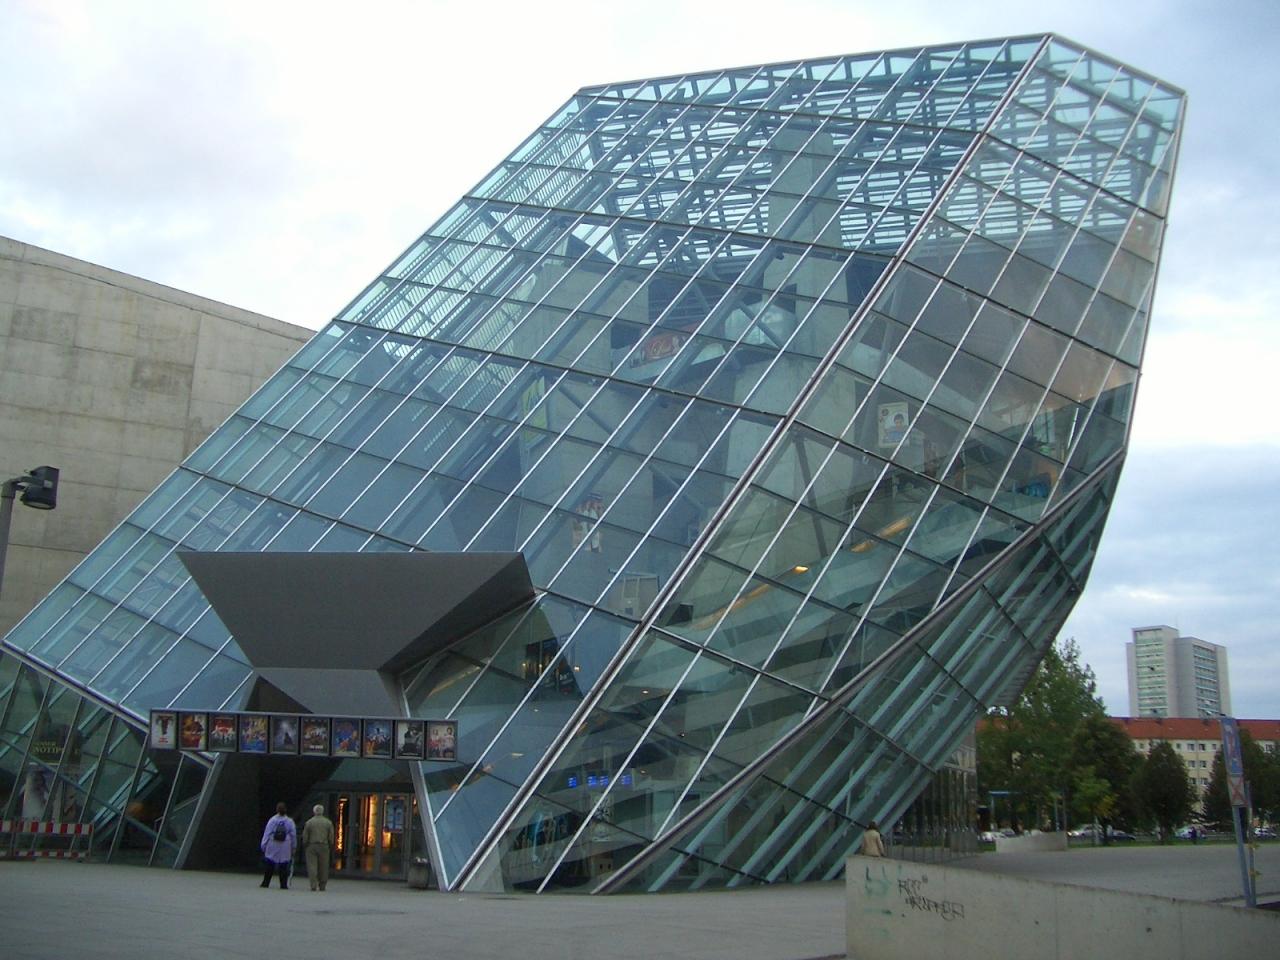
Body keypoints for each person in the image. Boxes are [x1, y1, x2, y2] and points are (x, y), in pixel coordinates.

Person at [260, 802, 296, 889]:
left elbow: (267, 833)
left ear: (277, 810)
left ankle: (266, 883)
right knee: (283, 864)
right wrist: (293, 846)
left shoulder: (272, 820)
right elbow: (293, 835)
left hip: (273, 842)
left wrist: (263, 844)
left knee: (270, 863)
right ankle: (283, 884)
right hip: (285, 844)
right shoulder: (290, 821)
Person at [302, 803, 335, 892]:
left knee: (312, 866)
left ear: (314, 811)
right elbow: (331, 836)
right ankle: (322, 885)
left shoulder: (309, 822)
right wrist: (330, 844)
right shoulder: (328, 822)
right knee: (324, 866)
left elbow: (305, 836)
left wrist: (305, 844)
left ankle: (313, 885)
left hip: (311, 845)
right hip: (324, 846)